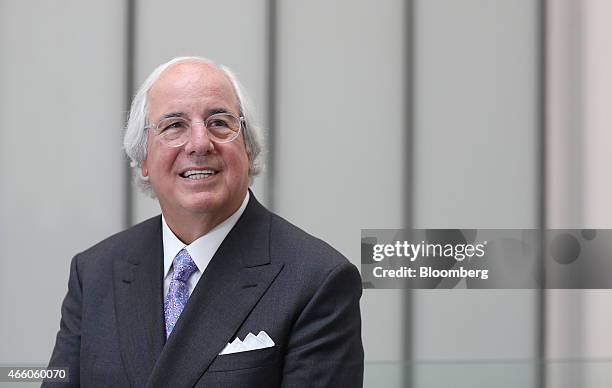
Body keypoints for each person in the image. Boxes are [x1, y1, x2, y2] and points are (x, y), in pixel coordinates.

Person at [44, 56, 364, 387]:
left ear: (248, 149)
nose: (199, 144)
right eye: (173, 126)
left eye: (219, 123)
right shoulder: (95, 272)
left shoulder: (318, 280)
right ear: (143, 160)